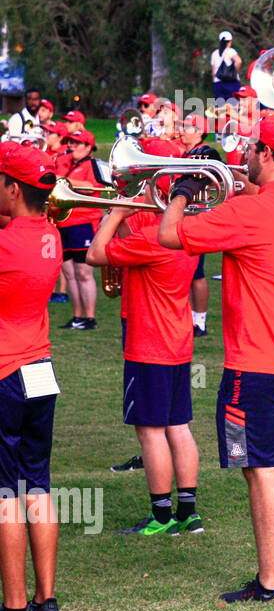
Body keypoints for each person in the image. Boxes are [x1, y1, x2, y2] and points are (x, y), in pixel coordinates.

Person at [158, 115, 274, 602]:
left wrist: (182, 192)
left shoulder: (249, 213)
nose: (245, 156)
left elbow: (170, 236)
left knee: (260, 468)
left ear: (265, 154)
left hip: (256, 361)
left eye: (251, 149)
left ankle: (270, 582)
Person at [86, 177, 203, 535]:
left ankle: (161, 516)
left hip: (149, 344)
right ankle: (188, 511)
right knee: (178, 426)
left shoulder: (151, 239)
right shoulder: (186, 232)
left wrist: (118, 211)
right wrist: (126, 216)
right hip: (178, 341)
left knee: (150, 432)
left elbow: (94, 254)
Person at [0, 146, 63, 611]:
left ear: (13, 189)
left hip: (5, 371)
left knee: (5, 494)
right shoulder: (51, 235)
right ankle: (47, 604)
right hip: (40, 368)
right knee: (36, 484)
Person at [53, 127, 102, 331]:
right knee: (69, 272)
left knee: (83, 272)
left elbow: (93, 187)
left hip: (84, 222)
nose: (71, 146)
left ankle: (90, 318)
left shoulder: (93, 164)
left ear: (88, 147)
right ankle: (77, 316)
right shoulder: (65, 164)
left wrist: (66, 181)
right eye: (70, 142)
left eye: (76, 142)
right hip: (63, 223)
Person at [178, 114, 221, 337]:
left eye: (187, 127)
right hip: (187, 217)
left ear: (199, 131)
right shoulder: (184, 153)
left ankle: (200, 321)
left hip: (198, 218)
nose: (182, 129)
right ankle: (191, 318)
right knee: (189, 271)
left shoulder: (206, 153)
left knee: (197, 272)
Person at [211, 31, 243, 105]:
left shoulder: (214, 53)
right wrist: (233, 72)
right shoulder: (231, 51)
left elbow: (213, 72)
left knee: (220, 108)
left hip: (218, 83)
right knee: (233, 106)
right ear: (230, 42)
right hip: (231, 83)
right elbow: (239, 61)